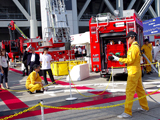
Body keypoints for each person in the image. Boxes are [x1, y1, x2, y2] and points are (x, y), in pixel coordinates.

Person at [110, 31, 149, 118]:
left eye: (128, 38)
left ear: (133, 37)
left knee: (129, 92)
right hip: (137, 71)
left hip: (133, 72)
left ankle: (127, 112)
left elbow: (130, 60)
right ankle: (145, 106)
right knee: (140, 90)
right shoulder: (136, 47)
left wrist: (117, 59)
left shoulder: (133, 48)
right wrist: (120, 57)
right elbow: (131, 59)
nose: (127, 40)